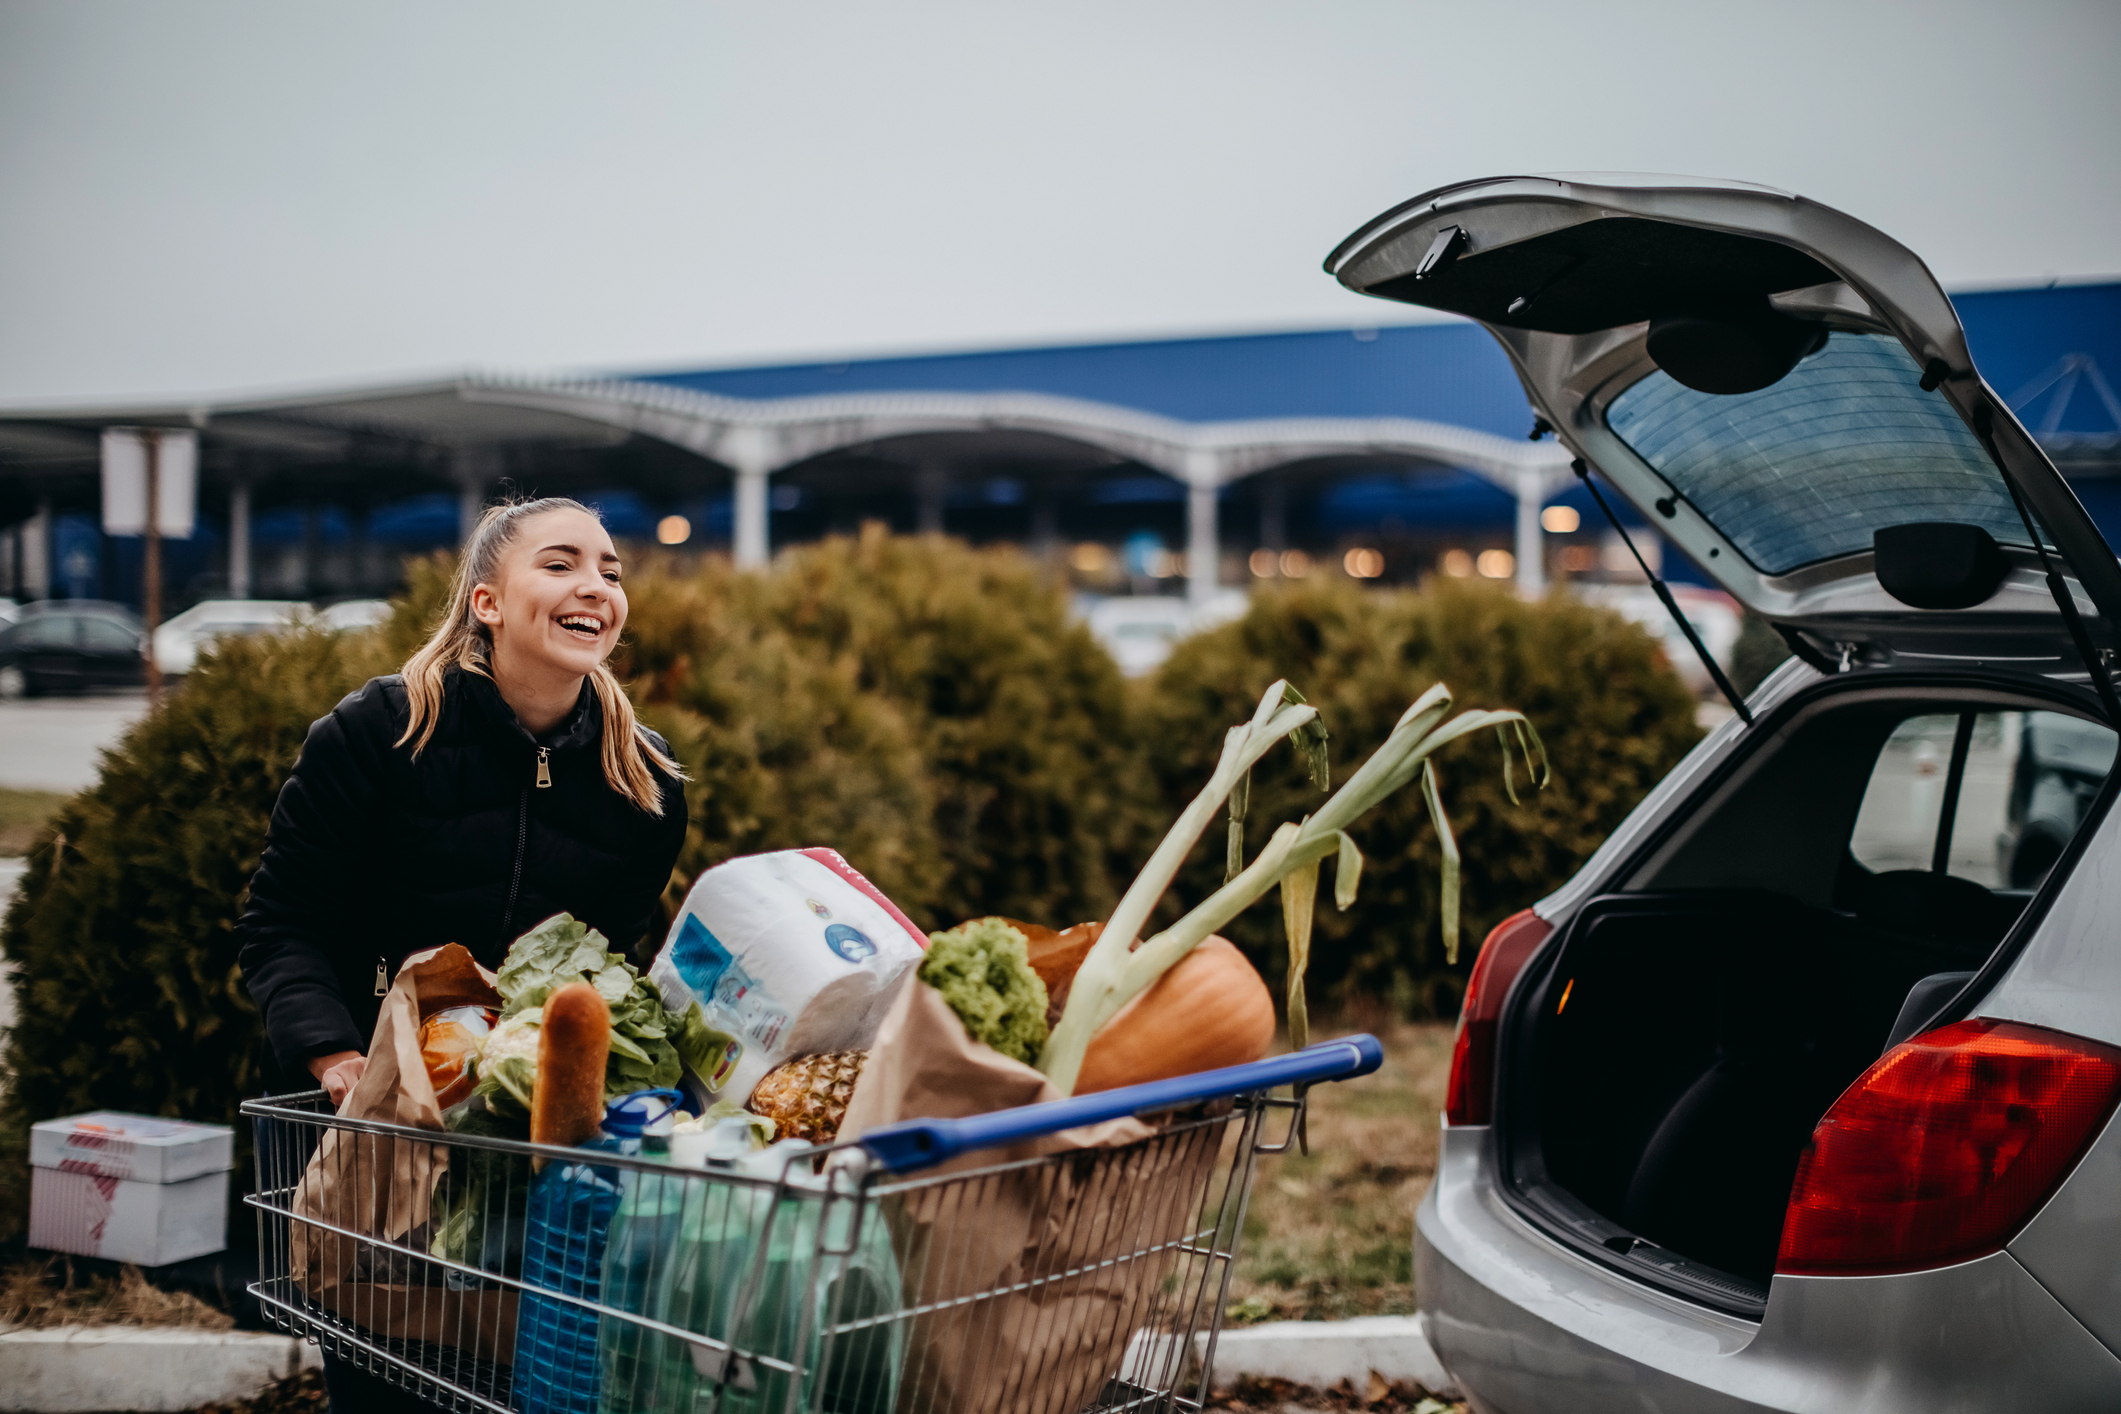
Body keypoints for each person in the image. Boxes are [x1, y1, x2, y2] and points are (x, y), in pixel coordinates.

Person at [237, 497, 688, 1412]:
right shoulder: (379, 734)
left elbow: (610, 972)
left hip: (526, 1147)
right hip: (375, 1117)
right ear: (486, 601)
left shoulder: (641, 782)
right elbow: (281, 923)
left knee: (521, 1378)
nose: (594, 587)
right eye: (560, 564)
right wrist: (337, 1059)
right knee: (389, 1381)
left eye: (609, 570)